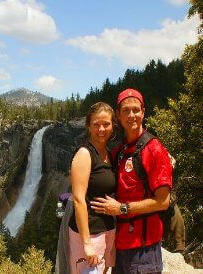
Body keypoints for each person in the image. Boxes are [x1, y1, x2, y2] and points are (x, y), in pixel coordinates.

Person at [91, 88, 173, 274]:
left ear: (143, 112)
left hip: (144, 250)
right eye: (126, 111)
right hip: (120, 246)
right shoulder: (119, 151)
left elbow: (163, 201)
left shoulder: (154, 150)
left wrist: (121, 209)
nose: (131, 115)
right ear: (118, 115)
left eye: (136, 110)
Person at [68, 102, 117, 274]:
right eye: (96, 124)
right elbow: (79, 199)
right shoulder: (84, 154)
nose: (101, 129)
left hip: (108, 229)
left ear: (113, 126)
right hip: (90, 233)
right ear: (89, 125)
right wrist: (86, 243)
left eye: (106, 124)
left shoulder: (109, 155)